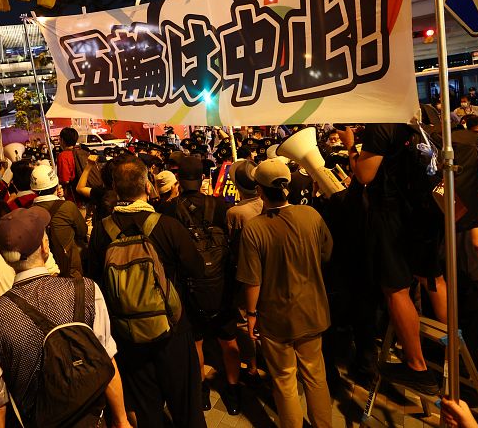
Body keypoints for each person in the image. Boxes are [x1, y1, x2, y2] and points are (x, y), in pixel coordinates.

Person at [0, 207, 131, 428]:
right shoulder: (85, 290)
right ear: (45, 247)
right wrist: (122, 420)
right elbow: (107, 360)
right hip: (93, 420)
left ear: (5, 258)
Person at [87, 155, 206, 428]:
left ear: (115, 189)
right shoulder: (167, 226)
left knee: (146, 411)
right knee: (187, 409)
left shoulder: (102, 232)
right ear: (148, 185)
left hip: (128, 336)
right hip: (173, 330)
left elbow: (94, 281)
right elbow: (197, 269)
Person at [339, 124, 445, 395]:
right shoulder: (412, 119)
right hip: (419, 211)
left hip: (391, 214)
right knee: (432, 278)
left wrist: (351, 146)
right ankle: (451, 350)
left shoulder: (381, 124)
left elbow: (364, 175)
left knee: (396, 289)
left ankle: (417, 366)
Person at [237, 159, 333, 428]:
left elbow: (252, 280)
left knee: (284, 380)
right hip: (313, 310)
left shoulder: (254, 228)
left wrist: (251, 315)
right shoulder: (311, 215)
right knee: (316, 376)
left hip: (276, 317)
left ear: (260, 190)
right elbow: (327, 253)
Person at [161, 155, 242, 415]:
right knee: (229, 341)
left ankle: (201, 391)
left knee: (196, 343)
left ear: (179, 181)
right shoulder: (220, 205)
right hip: (221, 286)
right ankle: (233, 392)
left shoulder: (169, 210)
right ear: (202, 178)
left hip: (189, 287)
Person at [31, 164, 87, 278]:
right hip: (70, 268)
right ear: (56, 185)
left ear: (34, 189)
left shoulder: (29, 212)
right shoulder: (68, 207)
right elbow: (82, 231)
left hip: (45, 271)